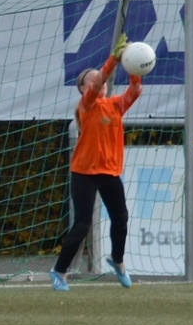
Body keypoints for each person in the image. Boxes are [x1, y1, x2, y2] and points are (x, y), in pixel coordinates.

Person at [49, 36, 140, 291]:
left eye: (100, 81)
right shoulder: (86, 105)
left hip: (109, 173)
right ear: (83, 88)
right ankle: (59, 271)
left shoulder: (115, 105)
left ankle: (117, 261)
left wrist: (133, 66)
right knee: (83, 223)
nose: (99, 83)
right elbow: (100, 79)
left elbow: (135, 90)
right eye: (92, 81)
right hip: (84, 173)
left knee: (121, 218)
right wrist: (113, 59)